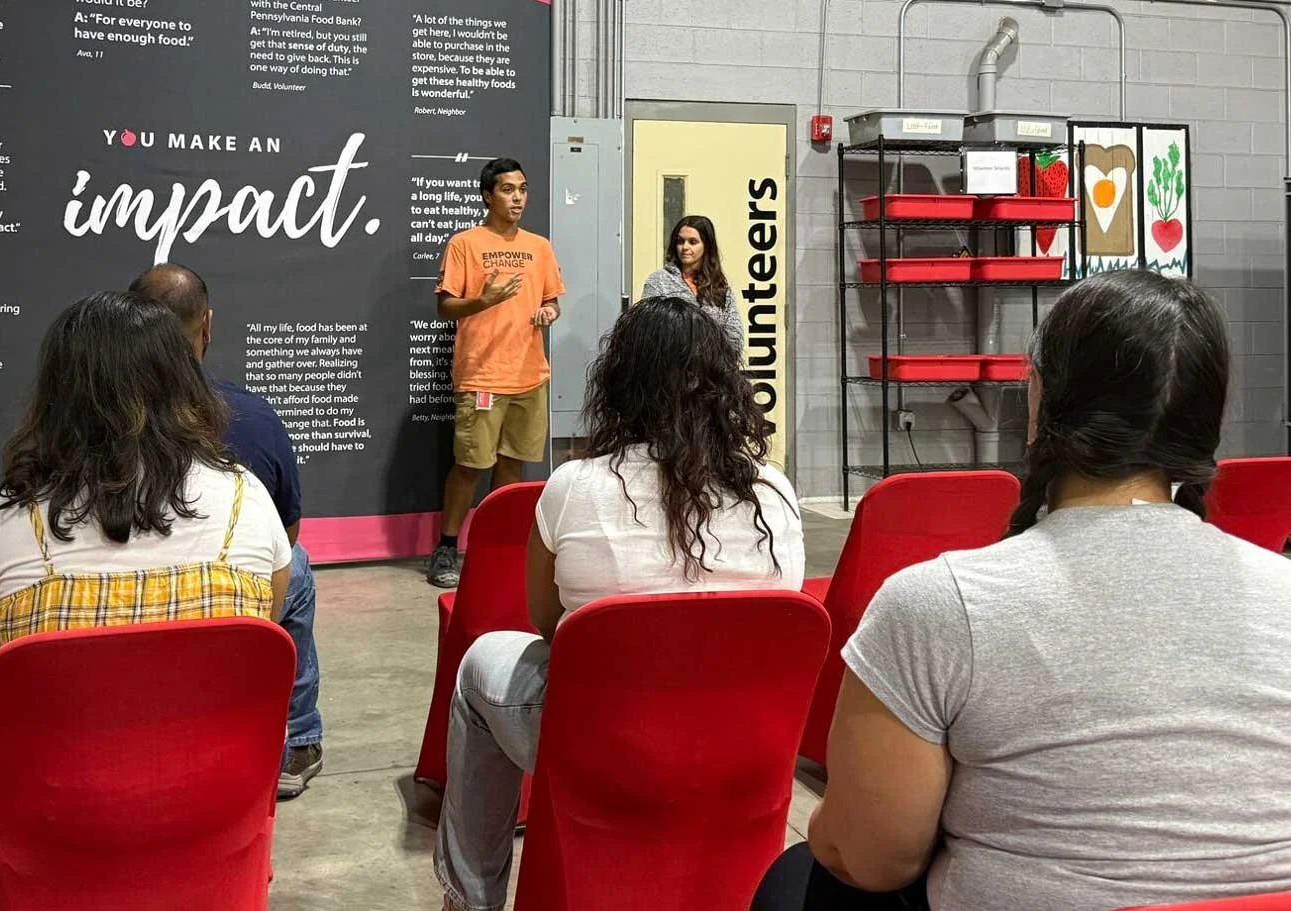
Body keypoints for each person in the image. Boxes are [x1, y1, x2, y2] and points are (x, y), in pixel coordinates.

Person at [751, 270, 1291, 911]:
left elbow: (867, 857)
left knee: (799, 878)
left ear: (1038, 398)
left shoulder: (939, 606)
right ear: (1208, 423)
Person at [433, 296, 806, 911]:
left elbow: (549, 625)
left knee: (480, 664)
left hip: (607, 744)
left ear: (619, 383)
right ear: (723, 385)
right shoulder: (774, 489)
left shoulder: (574, 486)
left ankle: (470, 901)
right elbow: (785, 612)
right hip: (745, 742)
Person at [0, 291, 291, 910]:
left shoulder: (15, 514)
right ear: (182, 377)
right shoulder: (246, 499)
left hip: (61, 812)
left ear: (57, 393)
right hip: (213, 804)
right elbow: (265, 623)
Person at [129, 262, 324, 799]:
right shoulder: (252, 421)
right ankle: (297, 737)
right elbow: (286, 539)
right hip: (224, 621)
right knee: (298, 568)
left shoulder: (82, 428)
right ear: (207, 327)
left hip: (99, 640)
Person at [427, 157, 566, 588]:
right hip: (483, 374)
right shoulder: (465, 244)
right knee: (470, 464)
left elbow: (553, 301)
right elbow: (444, 305)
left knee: (513, 466)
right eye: (508, 189)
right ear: (488, 195)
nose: (518, 197)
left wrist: (548, 311)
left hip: (530, 374)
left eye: (522, 189)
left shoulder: (540, 246)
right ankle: (447, 547)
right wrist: (483, 302)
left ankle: (499, 548)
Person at [640, 214, 742, 354]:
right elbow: (648, 330)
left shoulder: (719, 286)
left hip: (713, 371)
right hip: (670, 369)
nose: (684, 247)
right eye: (680, 241)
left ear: (706, 246)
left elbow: (735, 339)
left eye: (693, 242)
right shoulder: (658, 281)